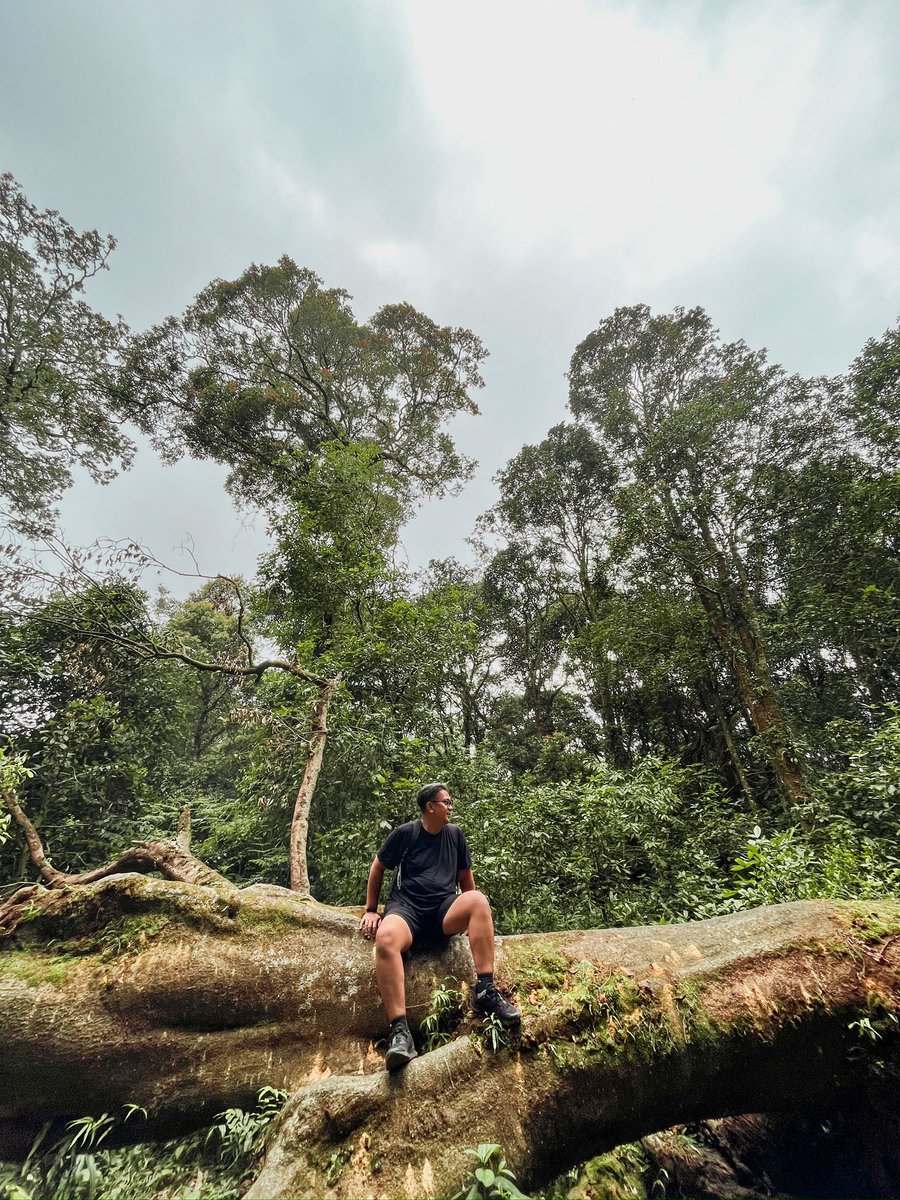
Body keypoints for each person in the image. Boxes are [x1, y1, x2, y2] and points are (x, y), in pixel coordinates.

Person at [359, 781, 520, 1070]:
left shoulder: (455, 835)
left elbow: (466, 883)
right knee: (385, 938)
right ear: (430, 806)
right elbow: (378, 868)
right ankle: (400, 1032)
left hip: (442, 910)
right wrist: (371, 910)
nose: (450, 807)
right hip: (406, 909)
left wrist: (474, 919)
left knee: (478, 900)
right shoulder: (406, 834)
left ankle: (485, 992)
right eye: (446, 802)